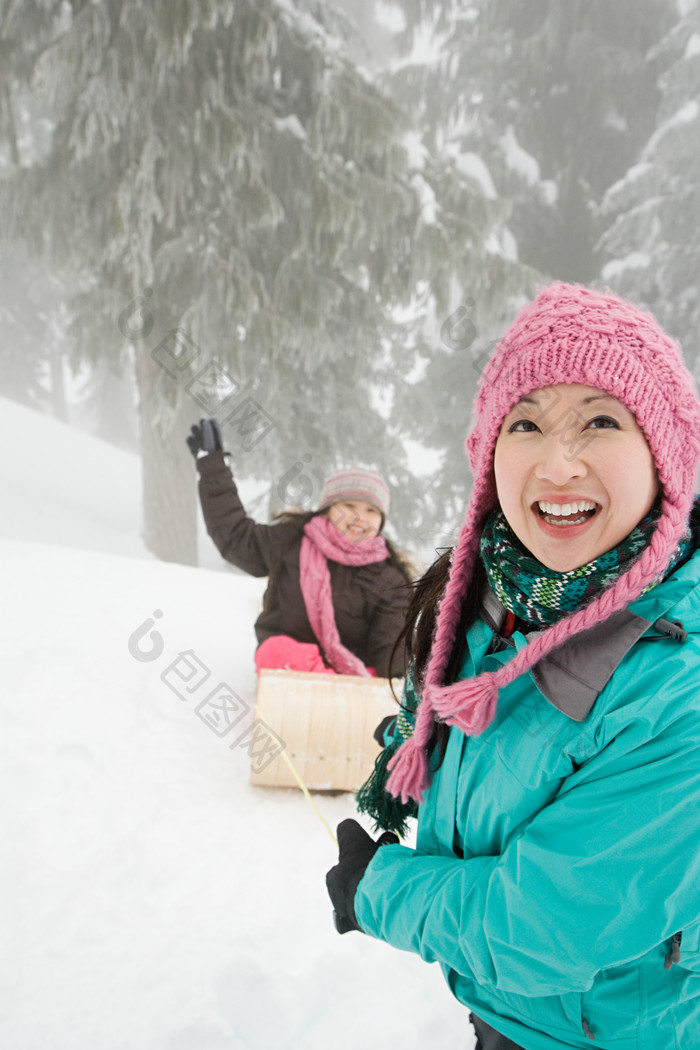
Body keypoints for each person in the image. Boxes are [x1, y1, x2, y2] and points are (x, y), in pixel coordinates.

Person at [325, 282, 700, 1049]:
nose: (558, 463)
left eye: (601, 420)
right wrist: (423, 744)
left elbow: (543, 926)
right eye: (526, 422)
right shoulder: (503, 592)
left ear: (666, 459)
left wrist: (379, 891)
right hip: (513, 1010)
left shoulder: (681, 690)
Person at [187, 418, 412, 679]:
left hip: (354, 682)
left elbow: (392, 648)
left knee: (383, 679)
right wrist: (214, 469)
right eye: (349, 506)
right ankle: (315, 694)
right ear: (328, 509)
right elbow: (236, 537)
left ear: (381, 521)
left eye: (371, 511)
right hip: (289, 672)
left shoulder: (390, 579)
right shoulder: (291, 540)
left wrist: (391, 690)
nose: (359, 517)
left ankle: (335, 700)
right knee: (276, 651)